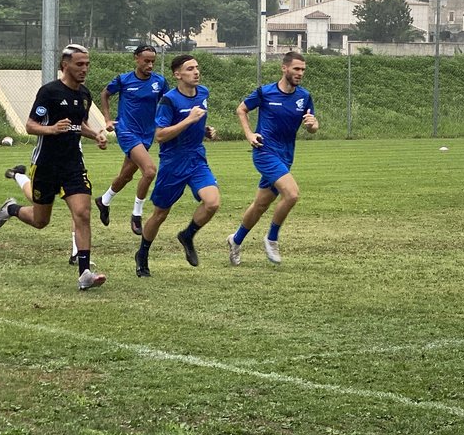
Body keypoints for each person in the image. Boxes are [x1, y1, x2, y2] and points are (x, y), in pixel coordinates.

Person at [0, 43, 109, 291]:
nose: (84, 69)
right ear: (64, 65)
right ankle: (11, 209)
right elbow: (30, 126)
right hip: (45, 164)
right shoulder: (49, 92)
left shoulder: (84, 95)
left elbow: (79, 125)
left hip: (73, 165)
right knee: (40, 220)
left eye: (87, 64)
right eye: (80, 64)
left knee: (83, 213)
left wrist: (95, 135)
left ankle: (85, 273)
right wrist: (52, 129)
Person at [227, 51, 318, 265]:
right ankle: (272, 238)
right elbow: (241, 109)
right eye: (296, 69)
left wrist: (313, 125)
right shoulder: (265, 92)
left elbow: (312, 126)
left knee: (260, 205)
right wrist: (249, 134)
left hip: (286, 156)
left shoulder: (304, 96)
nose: (300, 73)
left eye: (303, 70)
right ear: (284, 68)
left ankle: (236, 240)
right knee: (292, 194)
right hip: (265, 151)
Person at [135, 54, 219, 276]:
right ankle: (142, 254)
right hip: (173, 162)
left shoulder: (203, 93)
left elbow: (198, 121)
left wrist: (205, 130)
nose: (196, 72)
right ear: (177, 74)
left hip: (197, 159)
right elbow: (161, 135)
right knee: (160, 214)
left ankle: (188, 235)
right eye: (190, 69)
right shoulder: (169, 100)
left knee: (212, 203)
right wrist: (189, 120)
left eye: (197, 68)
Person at [95, 45, 167, 236]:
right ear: (136, 58)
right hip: (126, 131)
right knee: (150, 171)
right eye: (146, 61)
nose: (150, 65)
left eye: (153, 61)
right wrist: (107, 119)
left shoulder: (159, 82)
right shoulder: (124, 79)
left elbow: (167, 104)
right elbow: (105, 93)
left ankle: (104, 200)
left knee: (126, 176)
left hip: (147, 134)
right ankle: (137, 214)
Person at [2, 162, 80, 264]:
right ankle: (18, 178)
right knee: (40, 215)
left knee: (79, 206)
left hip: (72, 163)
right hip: (48, 162)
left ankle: (77, 253)